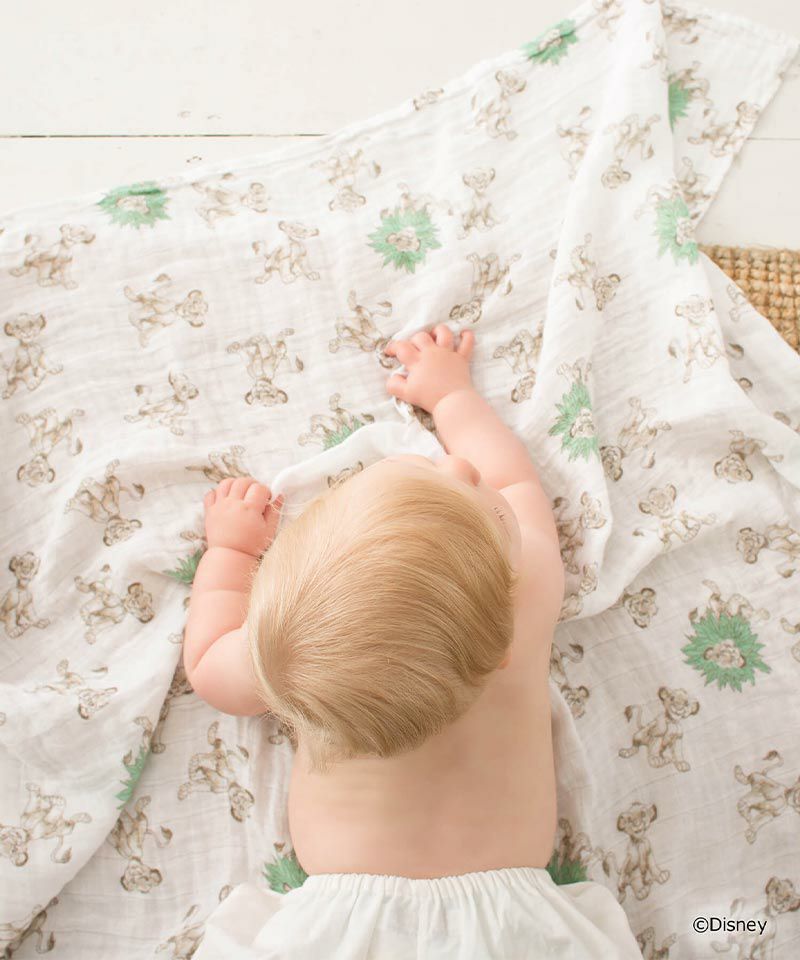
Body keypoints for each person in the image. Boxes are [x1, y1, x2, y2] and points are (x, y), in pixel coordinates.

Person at [186, 324, 642, 959]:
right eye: (475, 495)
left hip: (342, 933)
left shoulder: (298, 653)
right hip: (515, 931)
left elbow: (209, 663)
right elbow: (513, 484)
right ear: (503, 644)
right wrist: (452, 398)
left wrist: (232, 551)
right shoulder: (526, 590)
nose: (458, 465)